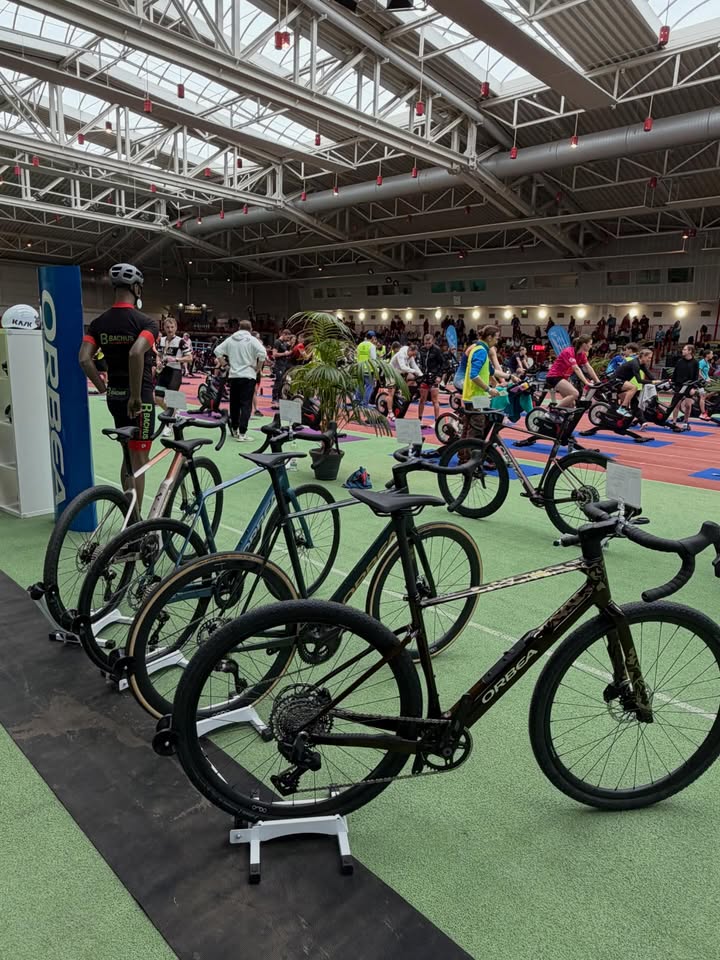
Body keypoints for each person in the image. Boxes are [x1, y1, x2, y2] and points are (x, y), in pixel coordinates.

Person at [78, 263, 158, 509]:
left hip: (115, 396)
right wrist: (136, 396)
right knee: (139, 458)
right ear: (136, 288)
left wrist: (102, 387)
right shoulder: (146, 322)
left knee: (127, 455)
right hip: (140, 399)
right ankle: (135, 519)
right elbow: (136, 353)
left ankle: (127, 511)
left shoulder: (98, 323)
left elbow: (84, 359)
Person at [214, 320, 267, 441]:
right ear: (251, 329)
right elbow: (263, 353)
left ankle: (234, 429)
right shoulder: (252, 340)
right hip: (248, 375)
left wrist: (225, 365)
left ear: (238, 328)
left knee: (234, 404)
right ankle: (242, 433)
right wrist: (258, 368)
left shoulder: (231, 339)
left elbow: (217, 351)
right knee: (246, 405)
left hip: (234, 375)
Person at [155, 317, 192, 429]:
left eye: (172, 327)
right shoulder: (162, 340)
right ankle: (174, 415)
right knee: (158, 399)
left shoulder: (181, 341)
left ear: (176, 328)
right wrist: (158, 362)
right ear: (164, 328)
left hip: (175, 372)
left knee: (172, 400)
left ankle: (169, 425)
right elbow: (159, 354)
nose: (170, 329)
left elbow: (190, 358)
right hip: (163, 372)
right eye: (167, 327)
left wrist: (176, 359)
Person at [544, 334, 599, 408]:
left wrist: (597, 381)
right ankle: (554, 410)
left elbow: (589, 367)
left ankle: (558, 414)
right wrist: (586, 382)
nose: (591, 346)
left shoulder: (582, 355)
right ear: (584, 344)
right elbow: (576, 368)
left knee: (571, 405)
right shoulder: (569, 351)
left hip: (563, 378)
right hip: (554, 377)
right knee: (575, 393)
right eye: (590, 344)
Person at [614, 347, 655, 415]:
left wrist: (661, 381)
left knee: (628, 402)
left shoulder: (641, 364)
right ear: (643, 356)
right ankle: (622, 408)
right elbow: (639, 380)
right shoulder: (635, 364)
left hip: (622, 381)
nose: (650, 360)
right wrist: (653, 382)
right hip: (616, 380)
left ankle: (622, 412)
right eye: (649, 358)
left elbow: (649, 374)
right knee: (634, 388)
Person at [671, 343, 700, 430]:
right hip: (679, 385)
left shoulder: (695, 363)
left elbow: (696, 376)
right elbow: (675, 374)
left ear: (690, 351)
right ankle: (674, 422)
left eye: (684, 349)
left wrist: (694, 387)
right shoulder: (680, 361)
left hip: (689, 386)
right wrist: (672, 384)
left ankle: (685, 422)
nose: (682, 351)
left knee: (688, 405)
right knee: (676, 404)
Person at [417, 333, 445, 422]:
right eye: (425, 343)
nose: (427, 345)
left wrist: (439, 376)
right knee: (422, 399)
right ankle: (419, 419)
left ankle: (436, 421)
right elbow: (420, 362)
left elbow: (443, 364)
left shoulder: (437, 350)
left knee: (435, 400)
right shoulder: (422, 349)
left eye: (429, 343)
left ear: (432, 342)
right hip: (424, 377)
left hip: (434, 377)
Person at [271, 328, 292, 409]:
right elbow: (274, 354)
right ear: (283, 334)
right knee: (278, 381)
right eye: (287, 337)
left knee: (282, 382)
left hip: (284, 364)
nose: (288, 339)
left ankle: (279, 397)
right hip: (279, 365)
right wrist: (284, 354)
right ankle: (274, 398)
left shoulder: (284, 343)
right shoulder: (277, 342)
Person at [356, 330, 378, 406]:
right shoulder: (371, 346)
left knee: (360, 386)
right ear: (372, 337)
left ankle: (357, 402)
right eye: (374, 337)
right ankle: (365, 403)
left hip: (360, 369)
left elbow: (357, 356)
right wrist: (376, 371)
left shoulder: (360, 345)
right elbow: (373, 359)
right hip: (369, 370)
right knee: (369, 387)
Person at [698, 349, 714, 421]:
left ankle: (705, 404)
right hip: (701, 382)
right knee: (702, 397)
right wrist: (705, 379)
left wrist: (709, 379)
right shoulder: (702, 362)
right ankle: (703, 413)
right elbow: (699, 373)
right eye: (711, 354)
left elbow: (706, 373)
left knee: (715, 391)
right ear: (707, 355)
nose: (712, 355)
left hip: (706, 381)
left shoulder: (707, 362)